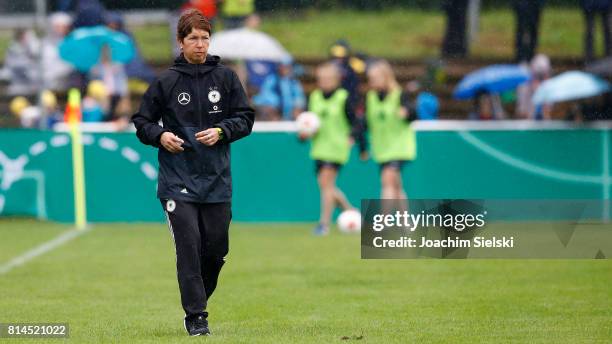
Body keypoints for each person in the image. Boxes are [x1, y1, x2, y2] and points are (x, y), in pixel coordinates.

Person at [131, 9, 254, 336]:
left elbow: (245, 118)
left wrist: (222, 131)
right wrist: (161, 136)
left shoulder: (226, 78)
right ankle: (197, 318)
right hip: (177, 182)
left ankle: (197, 295)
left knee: (215, 251)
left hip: (217, 180)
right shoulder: (166, 81)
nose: (200, 45)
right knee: (188, 247)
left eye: (204, 38)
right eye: (193, 38)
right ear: (181, 41)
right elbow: (142, 123)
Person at [301, 62, 365, 236]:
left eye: (328, 78)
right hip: (319, 148)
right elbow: (308, 123)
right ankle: (352, 212)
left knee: (326, 184)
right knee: (327, 187)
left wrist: (355, 139)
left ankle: (324, 224)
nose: (324, 81)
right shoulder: (314, 97)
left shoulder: (344, 97)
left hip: (337, 147)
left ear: (336, 80)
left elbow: (357, 122)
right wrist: (304, 133)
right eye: (321, 78)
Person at [364, 60, 416, 206]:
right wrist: (361, 144)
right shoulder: (371, 98)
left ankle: (383, 224)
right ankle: (405, 224)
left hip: (399, 147)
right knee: (396, 186)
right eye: (370, 79)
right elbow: (366, 122)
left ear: (386, 77)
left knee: (387, 181)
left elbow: (413, 113)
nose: (371, 82)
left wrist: (407, 112)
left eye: (375, 78)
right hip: (382, 149)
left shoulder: (399, 95)